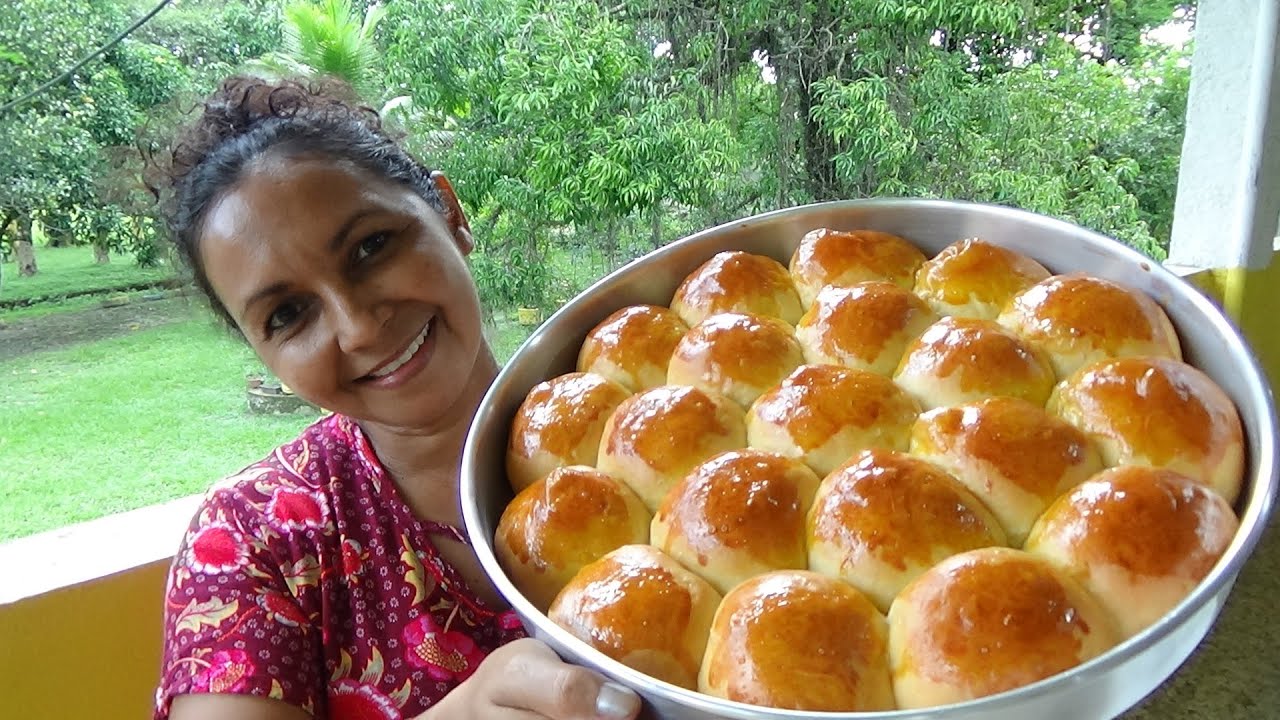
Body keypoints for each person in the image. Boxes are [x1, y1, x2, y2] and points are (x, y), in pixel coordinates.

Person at [149, 75, 643, 720]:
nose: (357, 326)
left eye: (371, 247)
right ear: (261, 352)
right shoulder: (255, 540)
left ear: (450, 215)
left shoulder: (656, 409)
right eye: (288, 314)